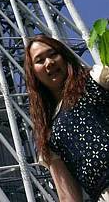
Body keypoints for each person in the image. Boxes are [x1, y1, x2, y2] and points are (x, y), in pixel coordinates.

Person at [24, 34, 109, 201]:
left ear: (64, 56)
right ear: (33, 73)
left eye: (53, 54)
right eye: (40, 60)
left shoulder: (95, 80)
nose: (49, 62)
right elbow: (68, 197)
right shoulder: (49, 132)